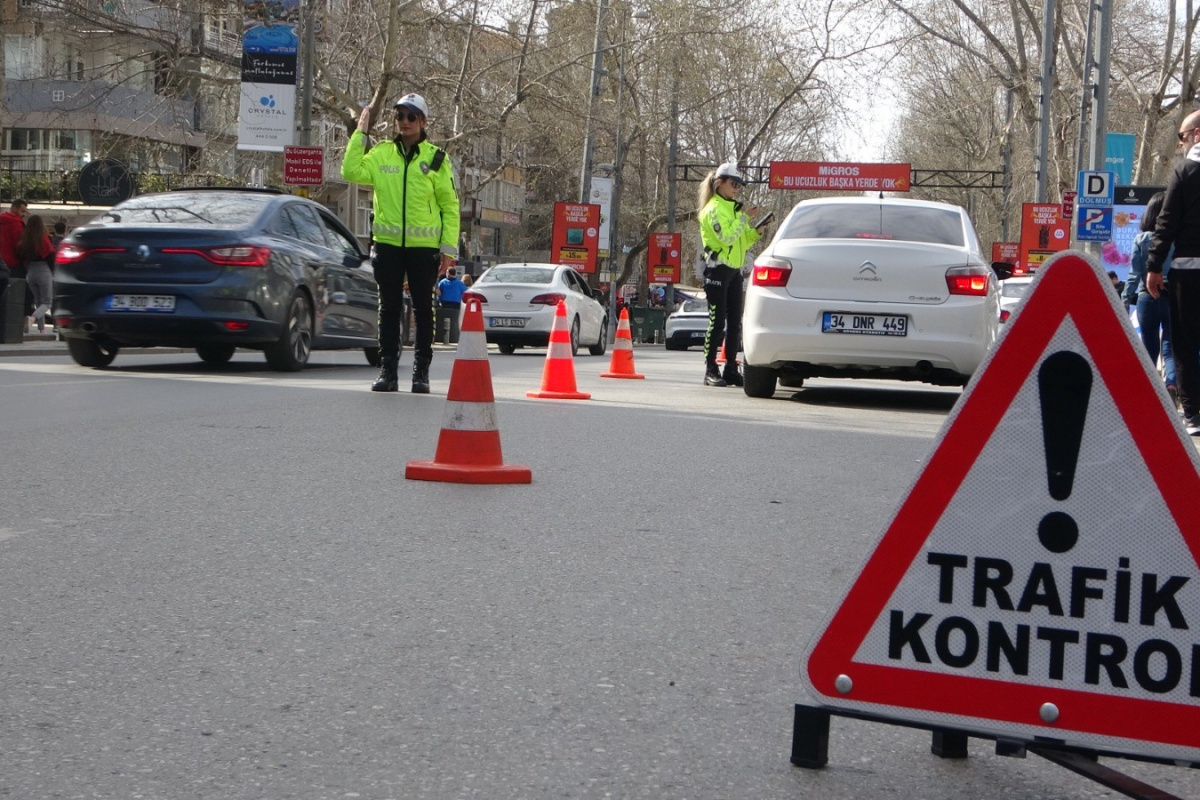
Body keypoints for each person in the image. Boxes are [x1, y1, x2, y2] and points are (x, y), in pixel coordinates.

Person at [341, 93, 460, 393]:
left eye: (410, 116)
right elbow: (350, 171)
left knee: (423, 309)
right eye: (399, 116)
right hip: (388, 245)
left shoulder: (436, 158)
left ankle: (421, 372)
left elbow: (450, 205)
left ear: (422, 122)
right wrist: (360, 134)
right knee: (389, 309)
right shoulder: (381, 153)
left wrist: (448, 249)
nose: (404, 122)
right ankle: (388, 371)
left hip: (424, 249)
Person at [1147, 109, 1200, 434]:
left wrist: (1154, 265)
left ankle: (1193, 413)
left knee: (1183, 343)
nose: (1180, 143)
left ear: (1197, 134)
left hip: (1188, 270)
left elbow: (1166, 222)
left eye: (1182, 136)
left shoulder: (1185, 171)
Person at [697, 162, 766, 386]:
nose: (737, 188)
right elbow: (726, 238)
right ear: (720, 183)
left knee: (736, 322)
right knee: (717, 323)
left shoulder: (733, 209)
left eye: (740, 185)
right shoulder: (713, 209)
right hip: (717, 270)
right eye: (734, 184)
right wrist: (744, 218)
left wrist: (755, 231)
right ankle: (710, 369)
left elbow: (742, 241)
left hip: (734, 271)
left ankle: (730, 368)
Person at [1124, 191, 1177, 406]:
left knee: (1149, 346)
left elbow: (1134, 274)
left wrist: (1125, 299)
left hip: (1146, 298)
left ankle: (1147, 392)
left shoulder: (1141, 239)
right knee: (1170, 347)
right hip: (1172, 296)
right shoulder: (1178, 240)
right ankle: (1171, 385)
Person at [17, 214, 54, 332]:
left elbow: (21, 257)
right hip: (43, 270)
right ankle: (32, 318)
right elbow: (50, 256)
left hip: (30, 272)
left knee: (38, 301)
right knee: (47, 302)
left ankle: (41, 329)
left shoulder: (25, 240)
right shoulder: (43, 239)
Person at [435, 266, 466, 344]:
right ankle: (454, 336)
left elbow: (438, 292)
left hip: (445, 303)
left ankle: (444, 336)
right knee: (455, 321)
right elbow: (465, 292)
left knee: (443, 320)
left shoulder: (442, 282)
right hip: (456, 304)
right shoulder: (460, 283)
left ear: (448, 273)